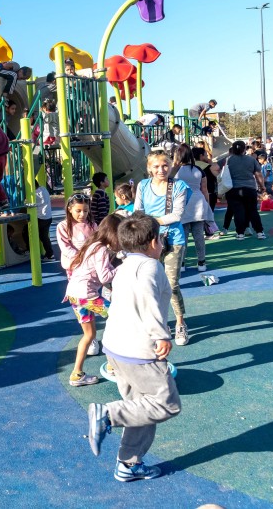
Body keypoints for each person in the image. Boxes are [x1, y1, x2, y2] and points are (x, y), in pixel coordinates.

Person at [87, 214, 181, 482]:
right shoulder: (150, 268)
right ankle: (107, 414)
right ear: (154, 241)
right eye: (160, 238)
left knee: (140, 408)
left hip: (116, 347)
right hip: (139, 351)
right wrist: (161, 335)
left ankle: (128, 464)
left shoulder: (126, 265)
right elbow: (147, 300)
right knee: (167, 404)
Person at [134, 152, 191, 345]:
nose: (161, 170)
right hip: (149, 240)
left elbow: (177, 215)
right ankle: (159, 323)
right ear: (149, 168)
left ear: (171, 165)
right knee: (151, 284)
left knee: (172, 284)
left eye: (165, 165)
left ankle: (180, 323)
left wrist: (149, 221)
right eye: (156, 166)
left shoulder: (179, 186)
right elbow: (137, 211)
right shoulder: (143, 186)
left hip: (173, 239)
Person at [65, 214, 123, 387]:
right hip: (87, 295)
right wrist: (123, 267)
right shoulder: (103, 249)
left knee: (89, 335)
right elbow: (105, 277)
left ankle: (76, 374)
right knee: (117, 319)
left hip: (74, 295)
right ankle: (113, 366)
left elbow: (100, 269)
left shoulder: (93, 245)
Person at [172, 144, 212, 272]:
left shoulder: (175, 171)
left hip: (181, 203)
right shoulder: (199, 170)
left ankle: (182, 263)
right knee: (199, 235)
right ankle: (201, 262)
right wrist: (208, 206)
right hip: (198, 202)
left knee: (183, 235)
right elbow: (204, 190)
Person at [223, 140, 267, 241]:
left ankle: (240, 233)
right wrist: (262, 186)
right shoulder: (251, 160)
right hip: (249, 188)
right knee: (253, 211)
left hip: (234, 189)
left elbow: (224, 173)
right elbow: (258, 174)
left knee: (238, 211)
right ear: (244, 149)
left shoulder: (229, 160)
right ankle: (260, 232)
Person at [56, 193, 96, 275]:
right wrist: (81, 257)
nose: (82, 214)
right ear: (70, 209)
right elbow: (65, 248)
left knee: (91, 286)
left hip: (90, 264)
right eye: (78, 211)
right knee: (76, 286)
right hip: (73, 265)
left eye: (85, 211)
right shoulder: (63, 226)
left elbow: (97, 242)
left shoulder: (92, 225)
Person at [34, 179, 54, 260]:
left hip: (41, 218)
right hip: (48, 217)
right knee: (44, 237)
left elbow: (30, 203)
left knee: (27, 232)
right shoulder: (43, 189)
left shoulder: (35, 194)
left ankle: (30, 251)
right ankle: (50, 254)